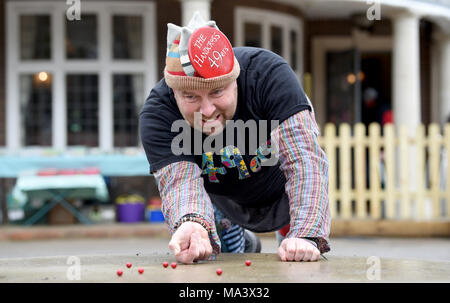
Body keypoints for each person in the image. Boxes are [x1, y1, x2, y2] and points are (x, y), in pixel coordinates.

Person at [139, 12, 330, 264]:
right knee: (223, 261)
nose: (207, 111)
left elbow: (303, 158)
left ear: (235, 80)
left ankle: (286, 232)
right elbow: (180, 183)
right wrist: (191, 222)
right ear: (173, 92)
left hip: (283, 190)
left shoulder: (269, 75)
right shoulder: (158, 114)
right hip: (223, 197)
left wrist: (305, 235)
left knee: (296, 262)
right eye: (191, 97)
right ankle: (240, 239)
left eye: (217, 91)